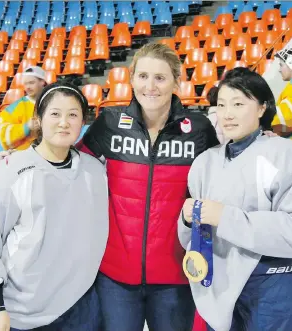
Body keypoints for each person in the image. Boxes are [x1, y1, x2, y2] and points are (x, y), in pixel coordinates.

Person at [76, 43, 219, 331]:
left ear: (176, 82)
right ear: (131, 79)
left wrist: (263, 139)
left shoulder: (199, 129)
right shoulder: (110, 123)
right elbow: (71, 164)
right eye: (142, 76)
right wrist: (30, 156)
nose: (150, 86)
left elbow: (227, 172)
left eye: (160, 78)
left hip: (175, 278)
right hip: (115, 278)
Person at [179, 67, 292, 331]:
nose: (227, 114)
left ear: (262, 107)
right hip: (219, 289)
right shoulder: (204, 162)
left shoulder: (289, 155)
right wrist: (187, 221)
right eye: (221, 105)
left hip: (276, 289)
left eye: (238, 104)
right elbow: (192, 240)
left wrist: (225, 217)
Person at [0, 82, 109, 331]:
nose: (64, 122)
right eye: (55, 113)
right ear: (39, 118)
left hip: (81, 308)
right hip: (20, 315)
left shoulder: (95, 171)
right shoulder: (8, 173)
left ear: (83, 121)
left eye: (73, 115)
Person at [0, 66, 46, 151]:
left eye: (31, 82)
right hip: (24, 155)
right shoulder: (18, 106)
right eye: (25, 84)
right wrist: (26, 127)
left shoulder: (53, 101)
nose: (28, 87)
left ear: (42, 82)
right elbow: (0, 128)